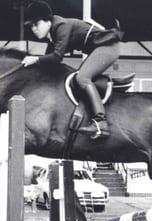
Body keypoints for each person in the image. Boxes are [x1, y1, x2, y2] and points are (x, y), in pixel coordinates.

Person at [22, 1, 123, 139]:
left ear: (47, 21)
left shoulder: (61, 26)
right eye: (31, 26)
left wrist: (35, 59)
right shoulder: (53, 33)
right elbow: (49, 64)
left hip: (108, 47)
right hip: (100, 48)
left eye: (36, 24)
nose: (34, 29)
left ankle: (101, 122)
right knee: (76, 79)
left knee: (82, 78)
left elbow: (56, 57)